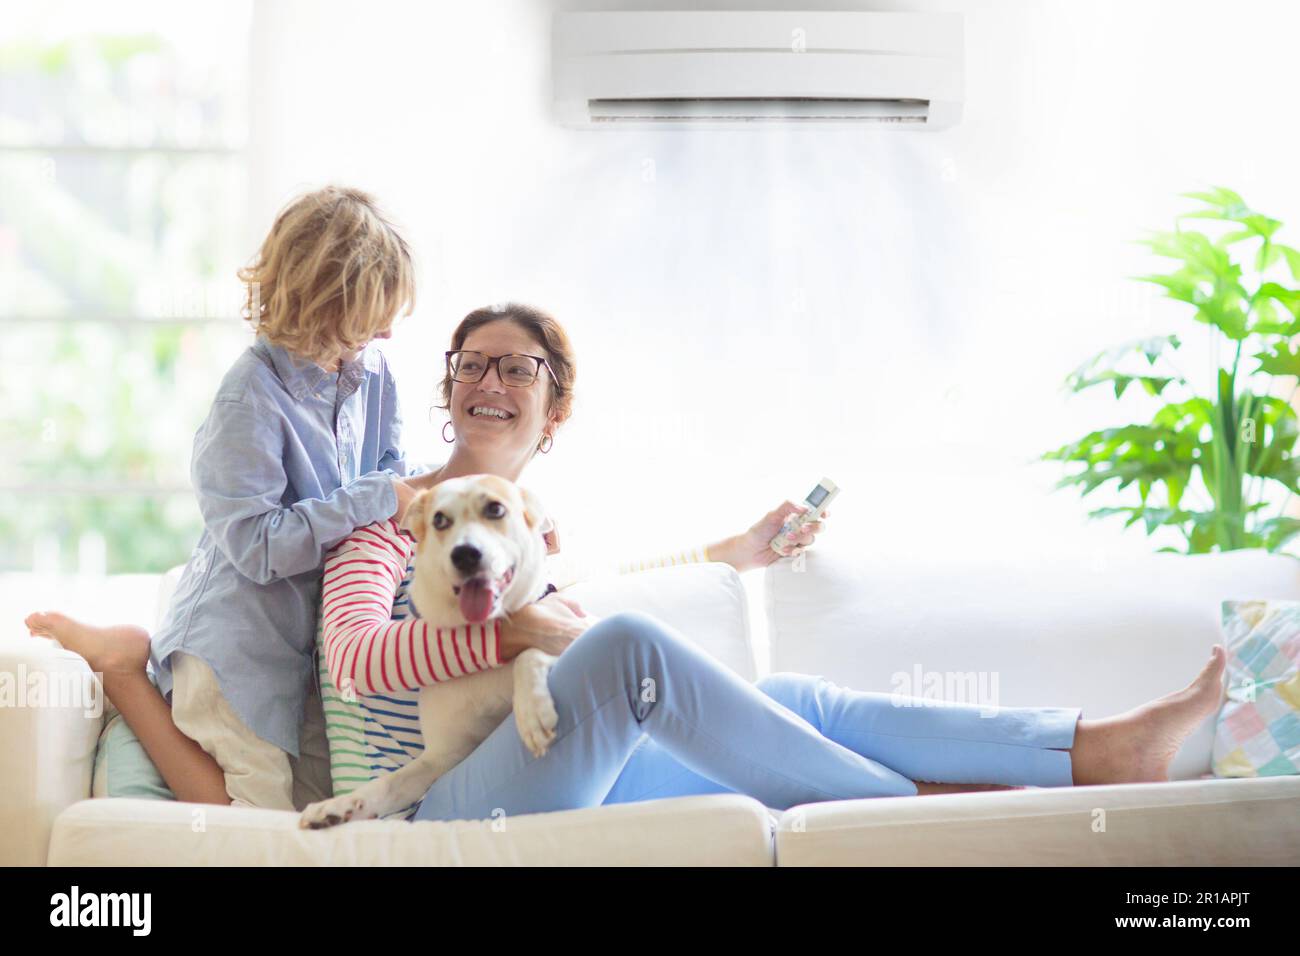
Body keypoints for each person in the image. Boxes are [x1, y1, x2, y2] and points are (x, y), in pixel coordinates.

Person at [308, 302, 1228, 825]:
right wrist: (511, 632)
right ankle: (934, 811)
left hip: (554, 762)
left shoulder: (526, 543)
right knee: (627, 645)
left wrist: (732, 554)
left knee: (796, 701)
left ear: (556, 414)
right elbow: (353, 656)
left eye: (520, 370)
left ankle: (1088, 747)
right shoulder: (388, 519)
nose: (489, 382)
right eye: (473, 364)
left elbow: (577, 616)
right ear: (448, 390)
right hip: (442, 798)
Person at [26, 185, 425, 811]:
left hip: (307, 651)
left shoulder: (373, 373)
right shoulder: (250, 398)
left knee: (325, 803)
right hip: (236, 646)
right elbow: (258, 547)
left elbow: (393, 482)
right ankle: (123, 670)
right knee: (256, 820)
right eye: (371, 314)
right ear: (323, 303)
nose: (387, 331)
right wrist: (376, 497)